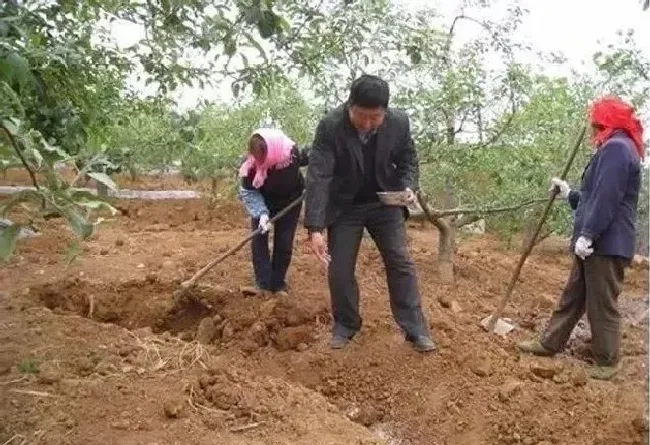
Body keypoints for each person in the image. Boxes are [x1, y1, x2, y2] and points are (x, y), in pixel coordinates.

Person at [303, 74, 436, 352]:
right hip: (345, 206)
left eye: (374, 118)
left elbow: (408, 160)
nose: (366, 124)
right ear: (349, 105)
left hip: (385, 204)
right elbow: (319, 176)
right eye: (361, 116)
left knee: (400, 262)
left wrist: (408, 187)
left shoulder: (399, 123)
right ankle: (346, 325)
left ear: (385, 112)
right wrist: (314, 228)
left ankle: (415, 329)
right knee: (339, 269)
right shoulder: (330, 127)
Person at [517, 96, 644, 380]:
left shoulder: (617, 149)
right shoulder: (614, 148)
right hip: (596, 243)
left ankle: (608, 361)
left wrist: (588, 235)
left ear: (606, 122)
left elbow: (607, 199)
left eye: (596, 123)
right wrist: (570, 194)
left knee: (601, 302)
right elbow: (593, 197)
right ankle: (550, 342)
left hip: (605, 244)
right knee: (573, 295)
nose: (592, 130)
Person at [238, 128, 309, 296]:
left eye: (263, 157)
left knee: (284, 241)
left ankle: (278, 284)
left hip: (291, 200)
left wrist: (312, 184)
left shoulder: (291, 153)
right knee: (259, 238)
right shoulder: (250, 165)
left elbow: (313, 159)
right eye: (256, 157)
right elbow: (248, 191)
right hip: (263, 201)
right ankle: (263, 284)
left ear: (272, 150)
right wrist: (262, 213)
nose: (260, 162)